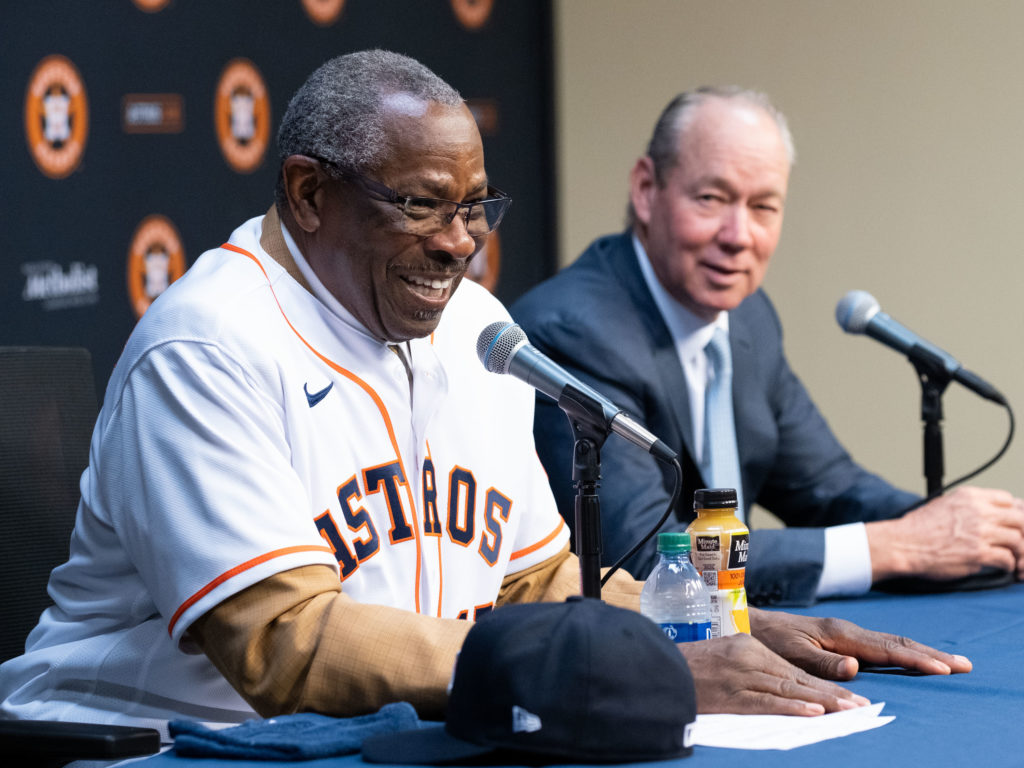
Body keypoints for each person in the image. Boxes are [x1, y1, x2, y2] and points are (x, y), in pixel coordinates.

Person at [0, 54, 969, 740]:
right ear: (308, 195)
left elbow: (533, 582)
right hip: (153, 745)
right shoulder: (207, 347)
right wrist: (622, 668)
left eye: (475, 208)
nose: (460, 243)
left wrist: (717, 628)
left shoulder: (474, 328)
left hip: (384, 736)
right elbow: (283, 644)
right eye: (421, 204)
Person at [511, 86, 1024, 607]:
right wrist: (895, 548)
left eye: (763, 207)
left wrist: (974, 531)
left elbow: (831, 489)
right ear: (646, 189)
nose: (739, 236)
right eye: (711, 199)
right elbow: (643, 562)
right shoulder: (575, 332)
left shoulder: (749, 318)